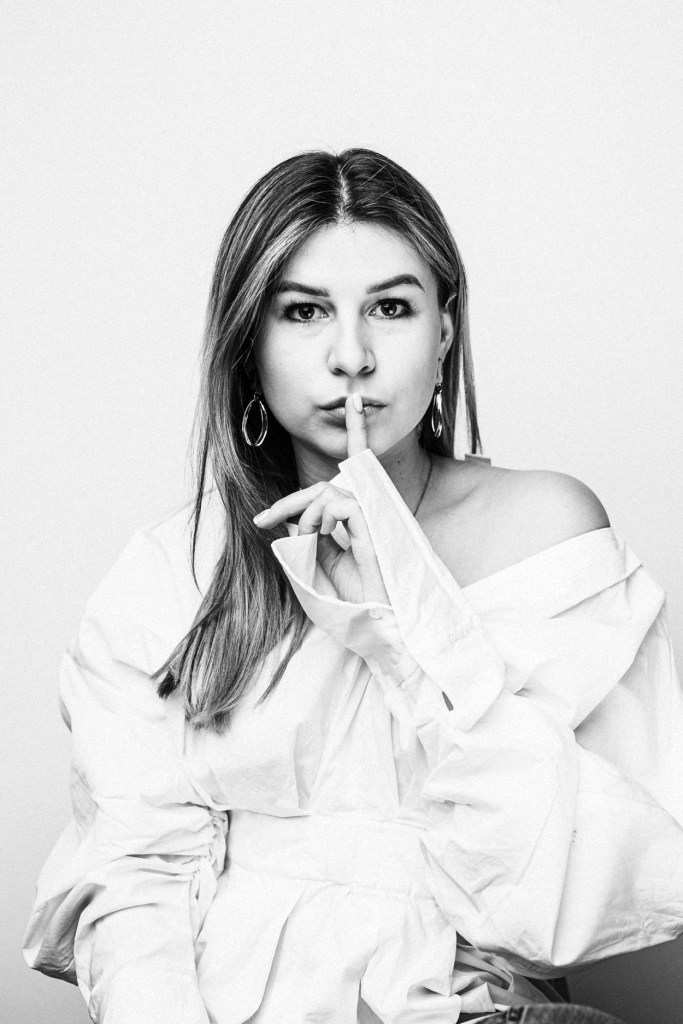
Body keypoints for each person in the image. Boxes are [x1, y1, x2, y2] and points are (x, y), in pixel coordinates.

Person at [23, 149, 683, 1024]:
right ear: (248, 344)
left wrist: (407, 618)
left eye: (391, 307)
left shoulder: (544, 526)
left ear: (443, 331)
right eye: (303, 311)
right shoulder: (171, 568)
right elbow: (132, 876)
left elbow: (566, 896)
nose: (351, 357)